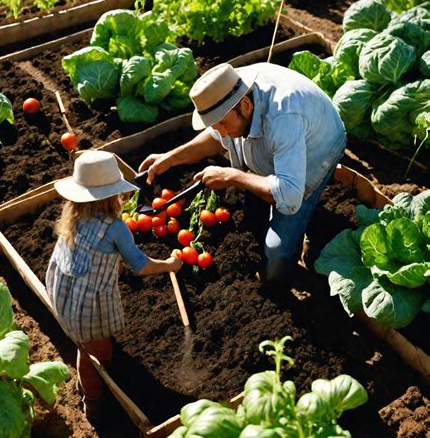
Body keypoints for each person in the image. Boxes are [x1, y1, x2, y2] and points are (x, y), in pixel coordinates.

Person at [139, 62, 346, 284]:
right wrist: (170, 157)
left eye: (223, 124)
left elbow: (289, 196)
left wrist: (232, 176)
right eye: (216, 126)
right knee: (253, 211)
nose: (222, 132)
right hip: (282, 141)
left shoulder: (283, 117)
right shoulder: (230, 95)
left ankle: (283, 277)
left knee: (276, 255)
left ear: (246, 105)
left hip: (319, 148)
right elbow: (216, 136)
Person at [45, 150, 182, 420]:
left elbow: (89, 254)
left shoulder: (74, 216)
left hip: (61, 292)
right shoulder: (116, 228)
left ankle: (88, 375)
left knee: (85, 343)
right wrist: (170, 264)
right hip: (86, 307)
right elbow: (141, 265)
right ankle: (93, 404)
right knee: (97, 358)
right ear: (111, 193)